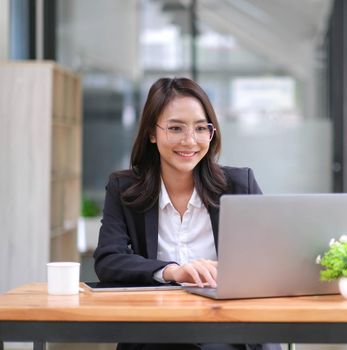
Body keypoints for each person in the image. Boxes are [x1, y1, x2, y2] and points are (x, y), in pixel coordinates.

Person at [94, 77, 280, 350]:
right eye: (175, 128)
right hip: (156, 331)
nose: (190, 140)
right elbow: (108, 261)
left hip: (230, 328)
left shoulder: (240, 185)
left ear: (211, 132)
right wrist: (172, 272)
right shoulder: (124, 189)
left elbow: (273, 258)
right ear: (152, 133)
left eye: (200, 128)